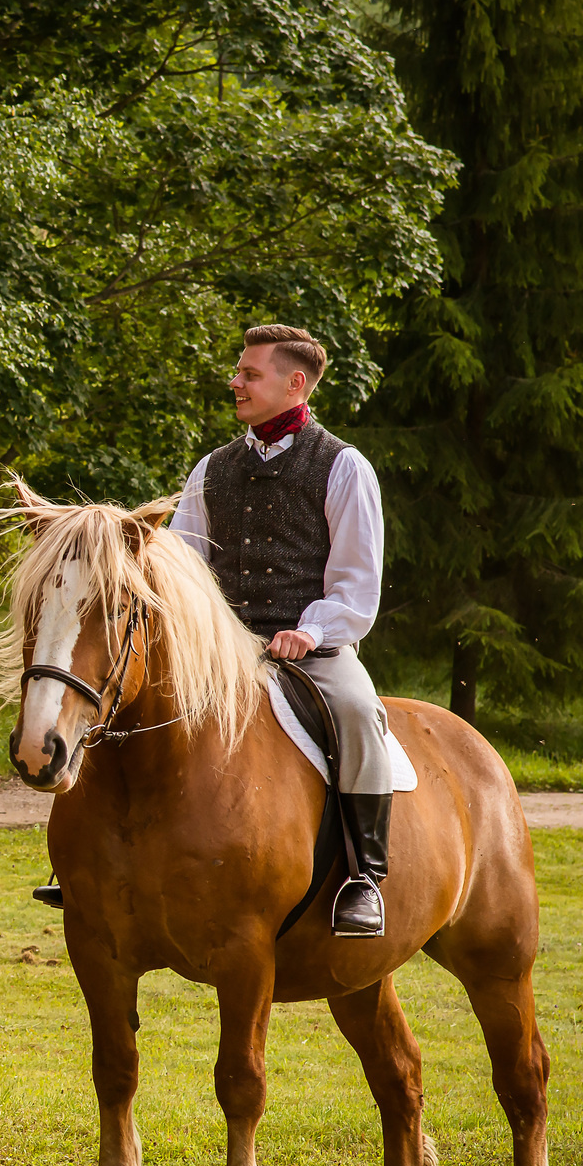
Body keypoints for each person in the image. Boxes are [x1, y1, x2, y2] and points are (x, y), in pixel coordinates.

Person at [170, 324, 394, 938]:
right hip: (220, 646)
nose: (235, 382)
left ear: (294, 384)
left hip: (310, 648)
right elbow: (181, 563)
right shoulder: (211, 469)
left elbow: (355, 585)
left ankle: (364, 879)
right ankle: (88, 862)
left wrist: (310, 631)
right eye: (238, 371)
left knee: (356, 711)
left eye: (249, 373)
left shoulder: (344, 466)